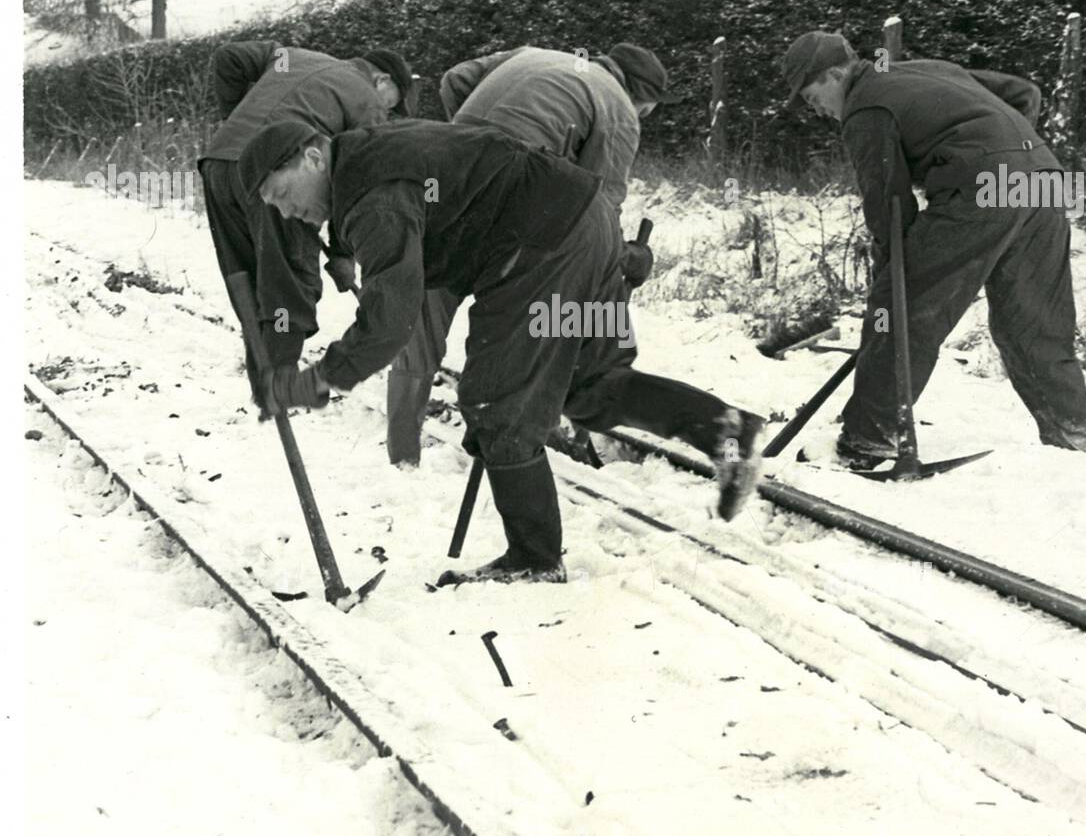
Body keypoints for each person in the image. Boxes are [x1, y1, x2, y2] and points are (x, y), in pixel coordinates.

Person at [237, 117, 764, 584]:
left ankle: (535, 559)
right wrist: (347, 250)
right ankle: (725, 429)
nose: (288, 213)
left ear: (311, 157)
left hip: (541, 249)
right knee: (591, 386)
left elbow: (389, 321)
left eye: (283, 194)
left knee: (497, 403)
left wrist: (317, 380)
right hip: (589, 223)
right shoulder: (366, 154)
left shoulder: (371, 195)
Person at [782, 30, 1086, 465]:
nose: (814, 108)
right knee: (1032, 322)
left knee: (899, 309)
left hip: (981, 185)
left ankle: (866, 441)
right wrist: (1003, 146)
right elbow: (1026, 93)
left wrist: (889, 280)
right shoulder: (928, 70)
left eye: (811, 94)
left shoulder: (865, 109)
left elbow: (888, 205)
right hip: (1044, 178)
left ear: (837, 73)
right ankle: (1077, 436)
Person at [386, 42, 676, 465]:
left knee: (423, 322)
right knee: (546, 300)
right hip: (509, 204)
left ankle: (402, 460)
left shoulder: (532, 54)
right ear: (639, 96)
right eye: (649, 109)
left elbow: (456, 79)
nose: (645, 118)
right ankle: (517, 424)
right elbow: (598, 209)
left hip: (443, 177)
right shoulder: (618, 110)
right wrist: (626, 258)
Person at [198, 43, 413, 398]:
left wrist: (238, 123)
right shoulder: (367, 100)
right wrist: (343, 254)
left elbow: (229, 56)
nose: (390, 110)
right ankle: (278, 383)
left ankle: (264, 374)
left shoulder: (295, 57)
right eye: (395, 100)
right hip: (284, 172)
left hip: (219, 162)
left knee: (246, 275)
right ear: (383, 80)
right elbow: (356, 180)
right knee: (288, 278)